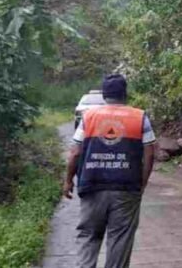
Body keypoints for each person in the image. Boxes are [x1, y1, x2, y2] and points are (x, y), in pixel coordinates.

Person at [63, 74, 156, 268]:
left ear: (105, 95)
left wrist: (68, 180)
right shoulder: (140, 117)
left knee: (89, 236)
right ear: (125, 94)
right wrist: (142, 183)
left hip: (92, 186)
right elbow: (149, 154)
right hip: (126, 189)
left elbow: (74, 152)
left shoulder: (88, 117)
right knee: (120, 240)